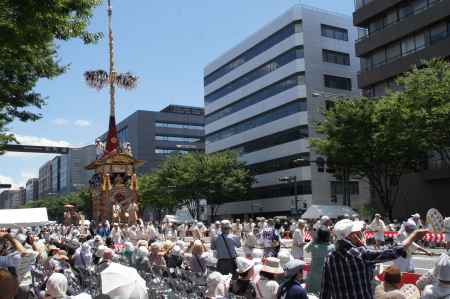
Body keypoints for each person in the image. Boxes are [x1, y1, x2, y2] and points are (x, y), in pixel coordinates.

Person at [320, 218, 428, 299]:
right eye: (358, 232)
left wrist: (362, 245)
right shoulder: (361, 254)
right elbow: (393, 252)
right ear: (352, 236)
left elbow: (325, 291)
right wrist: (414, 235)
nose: (361, 234)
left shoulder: (330, 258)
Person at [304, 227, 334, 295]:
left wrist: (314, 240)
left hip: (313, 275)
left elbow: (305, 249)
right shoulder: (332, 247)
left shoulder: (314, 246)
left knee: (312, 294)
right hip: (326, 275)